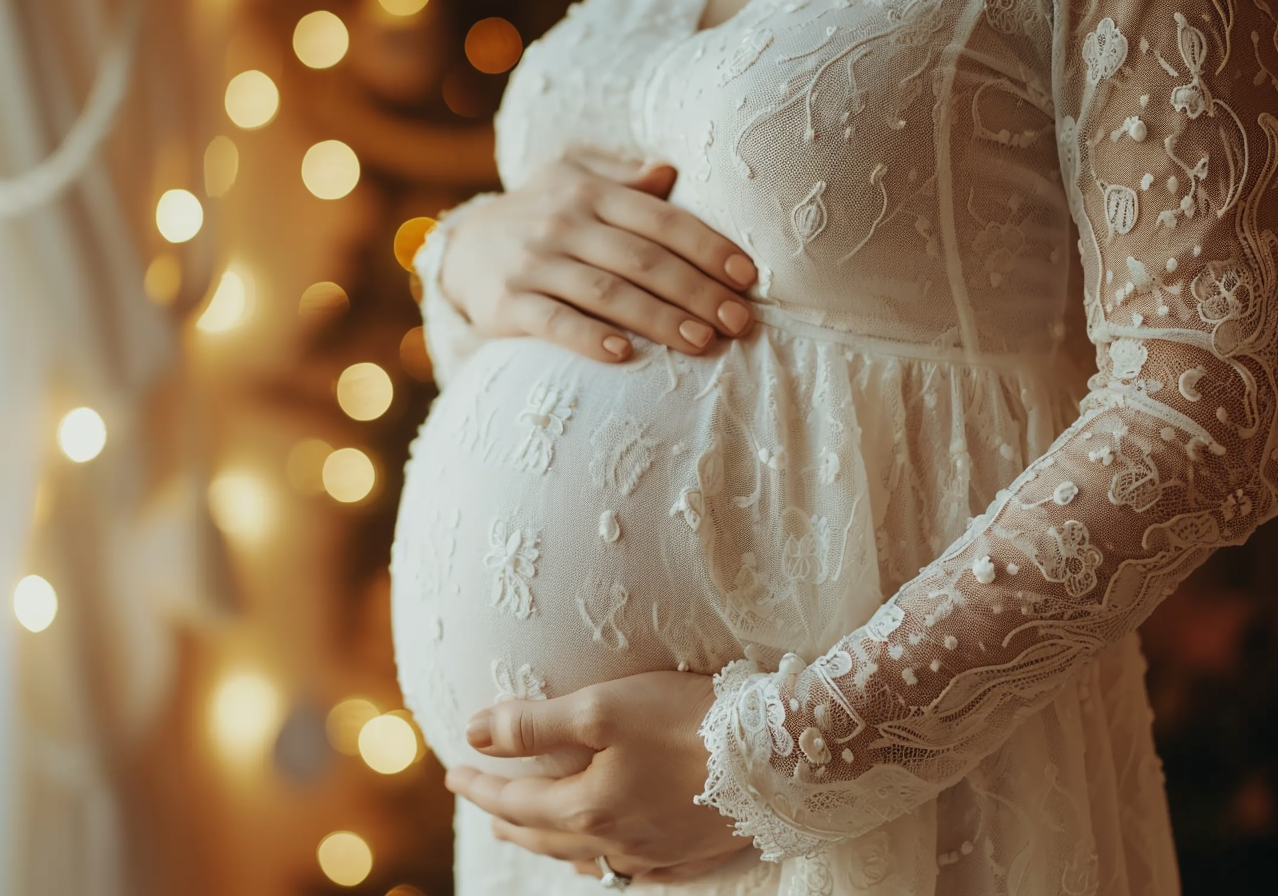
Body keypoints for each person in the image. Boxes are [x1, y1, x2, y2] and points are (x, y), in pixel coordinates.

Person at [388, 0, 1278, 893]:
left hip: (875, 790)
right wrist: (467, 258)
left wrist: (794, 753)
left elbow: (1209, 404)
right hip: (548, 843)